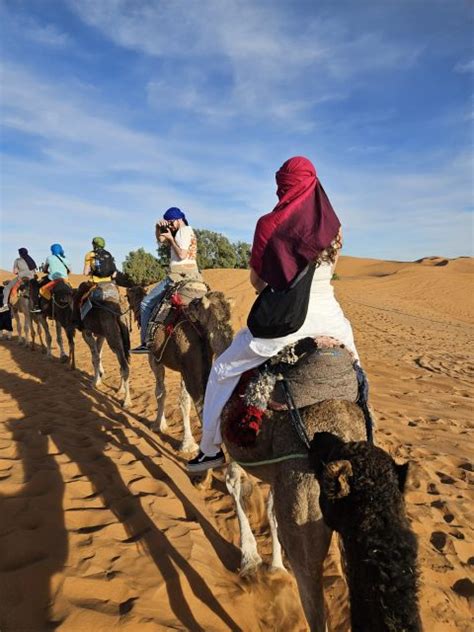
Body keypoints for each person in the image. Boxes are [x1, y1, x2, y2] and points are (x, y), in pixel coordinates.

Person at [187, 156, 360, 473]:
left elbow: (257, 281)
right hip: (333, 321)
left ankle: (209, 449)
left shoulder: (268, 224)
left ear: (283, 185)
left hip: (284, 326)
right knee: (357, 375)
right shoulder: (334, 226)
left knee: (223, 370)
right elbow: (328, 271)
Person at [131, 206, 199, 354]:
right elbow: (160, 240)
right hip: (194, 274)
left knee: (145, 303)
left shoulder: (182, 232)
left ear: (178, 219)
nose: (169, 225)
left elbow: (181, 255)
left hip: (178, 275)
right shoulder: (187, 231)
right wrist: (158, 228)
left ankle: (145, 343)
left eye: (171, 222)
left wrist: (171, 239)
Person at [30, 244, 71, 312]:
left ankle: (36, 306)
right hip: (65, 279)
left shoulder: (49, 258)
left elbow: (45, 269)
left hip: (52, 279)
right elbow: (69, 271)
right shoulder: (66, 259)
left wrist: (46, 270)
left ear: (52, 250)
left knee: (37, 287)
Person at [0, 248, 38, 312]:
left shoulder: (17, 260)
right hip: (31, 278)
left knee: (7, 288)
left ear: (20, 254)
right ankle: (37, 306)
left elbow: (15, 272)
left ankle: (5, 305)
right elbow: (34, 270)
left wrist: (20, 272)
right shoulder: (31, 260)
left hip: (21, 278)